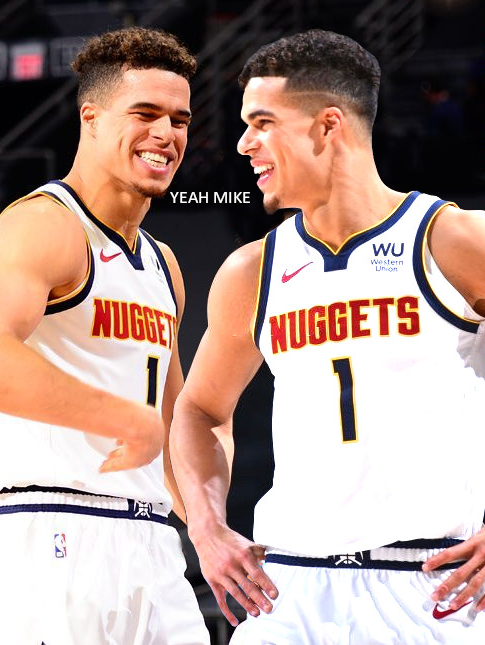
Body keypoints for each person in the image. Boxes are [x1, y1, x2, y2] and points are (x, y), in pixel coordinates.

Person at [169, 29, 485, 644]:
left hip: (428, 585)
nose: (244, 144)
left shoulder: (450, 240)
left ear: (328, 125)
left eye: (262, 123)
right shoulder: (253, 270)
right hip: (288, 588)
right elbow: (198, 410)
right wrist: (205, 530)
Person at [0, 27, 209, 645]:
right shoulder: (45, 224)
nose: (166, 134)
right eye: (145, 114)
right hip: (54, 531)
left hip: (152, 541)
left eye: (179, 120)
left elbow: (170, 418)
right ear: (90, 118)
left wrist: (207, 525)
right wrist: (128, 420)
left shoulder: (163, 264)